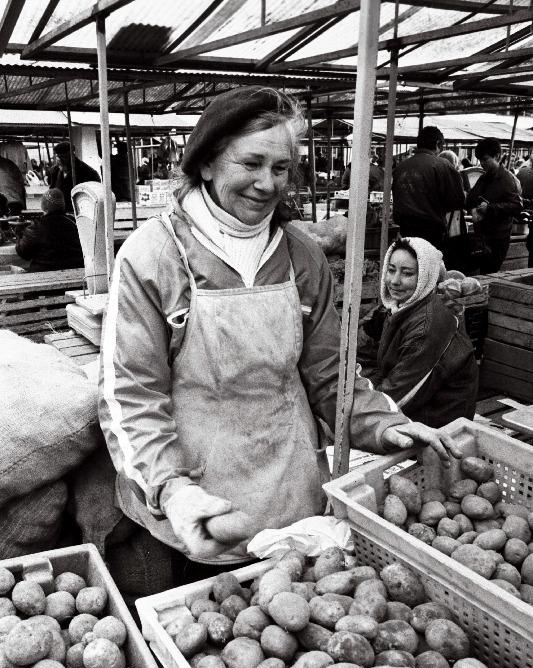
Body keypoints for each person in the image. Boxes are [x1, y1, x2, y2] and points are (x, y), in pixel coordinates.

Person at [98, 86, 460, 593]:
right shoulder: (153, 256)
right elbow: (131, 393)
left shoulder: (301, 257)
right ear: (205, 164)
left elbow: (330, 374)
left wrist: (386, 425)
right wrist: (173, 490)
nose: (267, 183)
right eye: (251, 163)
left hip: (289, 494)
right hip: (190, 501)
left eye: (282, 167)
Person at [358, 237, 478, 428]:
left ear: (425, 277)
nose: (395, 281)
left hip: (438, 423)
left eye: (407, 273)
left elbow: (399, 397)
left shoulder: (427, 326)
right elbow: (371, 357)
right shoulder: (399, 308)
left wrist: (357, 398)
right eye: (391, 270)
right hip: (415, 407)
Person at [392, 126, 465, 251]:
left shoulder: (400, 167)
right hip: (431, 232)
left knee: (412, 264)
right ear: (437, 144)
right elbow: (457, 200)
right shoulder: (442, 165)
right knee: (429, 267)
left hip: (405, 230)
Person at [466, 137, 523, 274]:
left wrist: (490, 208)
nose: (482, 164)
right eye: (480, 160)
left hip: (498, 238)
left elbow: (517, 206)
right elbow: (472, 198)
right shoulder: (483, 178)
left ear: (497, 156)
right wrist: (471, 204)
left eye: (485, 159)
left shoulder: (508, 179)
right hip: (482, 235)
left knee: (490, 273)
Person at [15, 188, 84, 272]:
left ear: (43, 207)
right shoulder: (75, 222)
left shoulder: (37, 226)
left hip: (44, 272)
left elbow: (24, 253)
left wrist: (19, 234)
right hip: (76, 270)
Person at [49, 141, 100, 213]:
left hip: (79, 212)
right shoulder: (55, 171)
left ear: (72, 155)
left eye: (63, 157)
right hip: (59, 212)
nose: (59, 160)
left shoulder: (87, 172)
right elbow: (52, 190)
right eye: (57, 157)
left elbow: (94, 196)